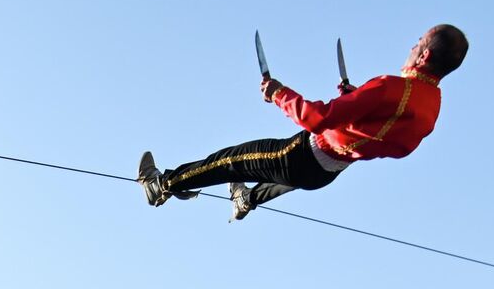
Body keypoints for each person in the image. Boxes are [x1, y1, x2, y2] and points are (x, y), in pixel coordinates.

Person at [139, 25, 467, 221]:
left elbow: (319, 119)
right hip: (326, 174)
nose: (412, 47)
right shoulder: (431, 109)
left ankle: (163, 185)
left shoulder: (392, 86)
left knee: (230, 161)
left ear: (423, 56)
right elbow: (380, 137)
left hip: (300, 156)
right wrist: (356, 104)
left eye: (418, 42)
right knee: (259, 171)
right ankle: (246, 199)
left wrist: (277, 93)